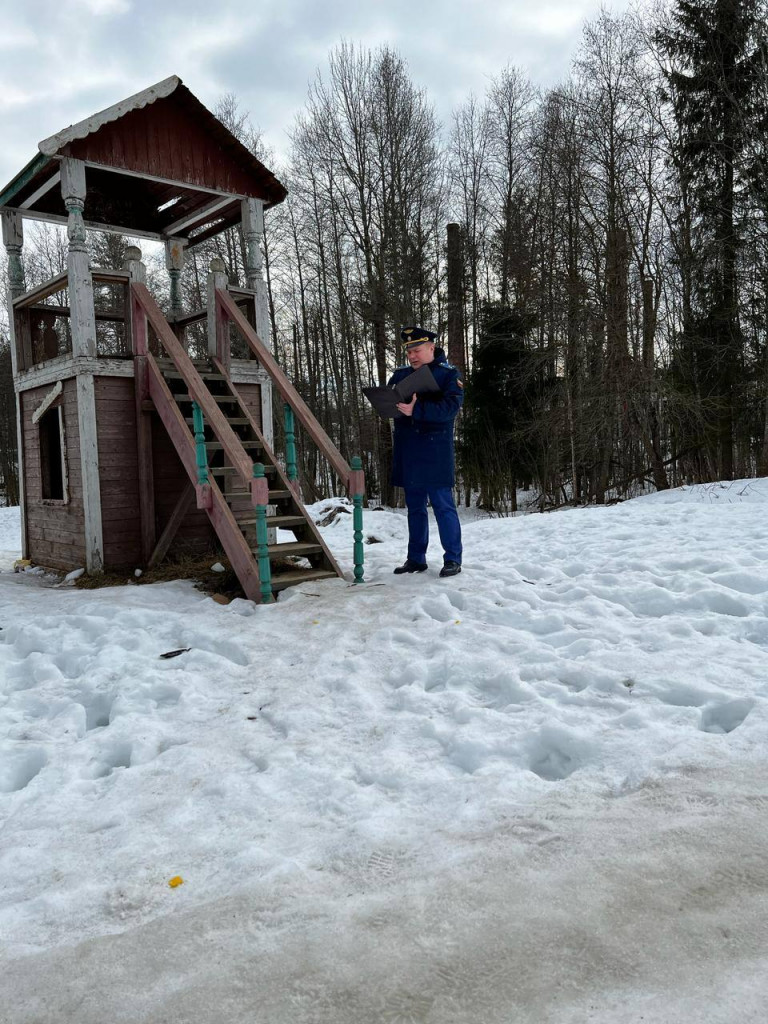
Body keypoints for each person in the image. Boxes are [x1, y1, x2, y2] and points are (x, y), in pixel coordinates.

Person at [389, 326, 463, 578]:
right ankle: (416, 558)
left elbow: (450, 409)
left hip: (435, 451)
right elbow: (391, 401)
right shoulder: (400, 375)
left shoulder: (447, 375)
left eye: (417, 350)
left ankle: (452, 558)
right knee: (415, 508)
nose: (412, 355)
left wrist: (416, 411)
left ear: (431, 348)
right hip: (409, 449)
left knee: (443, 506)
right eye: (409, 351)